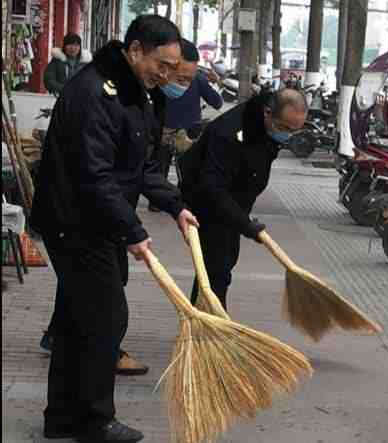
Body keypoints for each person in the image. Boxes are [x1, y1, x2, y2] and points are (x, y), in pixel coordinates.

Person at [31, 15, 197, 443]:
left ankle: (61, 418)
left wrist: (175, 205)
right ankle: (94, 420)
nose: (165, 76)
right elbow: (94, 174)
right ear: (136, 50)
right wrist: (133, 230)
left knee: (76, 319)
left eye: (172, 69)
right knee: (106, 318)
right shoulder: (95, 93)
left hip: (96, 221)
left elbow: (138, 166)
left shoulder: (132, 91)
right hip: (75, 222)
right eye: (161, 65)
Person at [177, 88, 307, 309]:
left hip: (233, 204)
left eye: (295, 130)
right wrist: (245, 224)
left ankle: (204, 317)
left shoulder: (265, 126)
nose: (287, 135)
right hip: (207, 203)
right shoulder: (228, 134)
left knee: (225, 262)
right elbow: (213, 188)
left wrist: (242, 219)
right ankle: (212, 322)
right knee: (217, 269)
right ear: (267, 112)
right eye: (284, 128)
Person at [148, 39, 223, 211]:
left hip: (166, 129)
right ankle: (184, 200)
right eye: (181, 79)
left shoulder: (159, 81)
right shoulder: (198, 79)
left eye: (186, 79)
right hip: (187, 129)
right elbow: (217, 102)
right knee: (187, 168)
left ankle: (158, 201)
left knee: (160, 166)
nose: (184, 84)